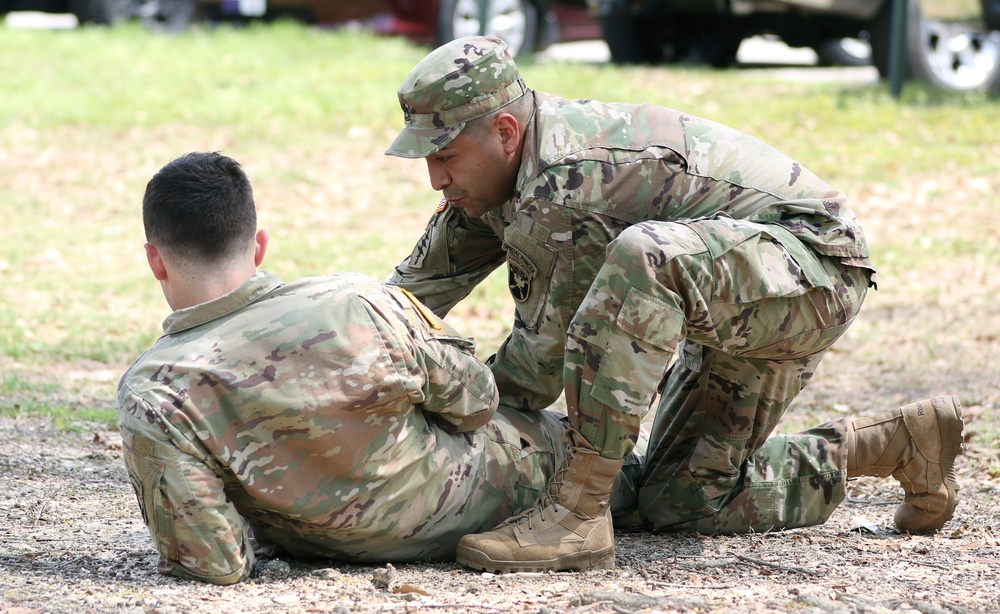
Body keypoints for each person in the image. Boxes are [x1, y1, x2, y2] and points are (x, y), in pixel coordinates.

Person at [383, 36, 965, 573]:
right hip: (728, 283)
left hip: (812, 270)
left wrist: (430, 414)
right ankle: (895, 441)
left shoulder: (565, 183)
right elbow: (403, 299)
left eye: (446, 156)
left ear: (506, 132)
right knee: (682, 502)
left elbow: (534, 373)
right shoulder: (493, 179)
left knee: (645, 255)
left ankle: (577, 516)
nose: (435, 178)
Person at [117, 151, 643, 585]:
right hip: (488, 496)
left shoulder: (154, 392)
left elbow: (212, 560)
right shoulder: (353, 303)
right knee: (637, 481)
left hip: (317, 544)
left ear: (154, 260)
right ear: (258, 246)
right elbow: (477, 400)